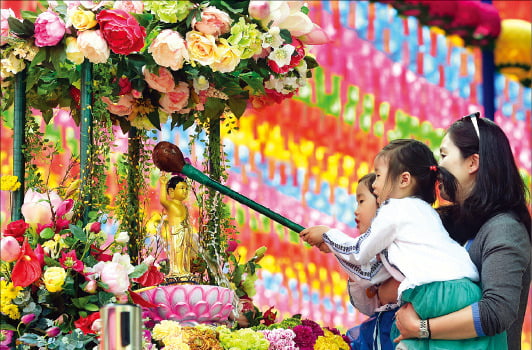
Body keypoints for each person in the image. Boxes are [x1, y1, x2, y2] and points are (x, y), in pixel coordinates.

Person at [300, 139, 506, 349]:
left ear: (404, 179)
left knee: (403, 335)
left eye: (378, 175)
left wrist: (327, 235)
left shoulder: (393, 209)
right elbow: (373, 272)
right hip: (468, 291)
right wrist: (335, 249)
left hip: (433, 293)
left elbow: (359, 252)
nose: (374, 184)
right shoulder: (424, 212)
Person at [393, 114, 531, 350]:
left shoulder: (505, 229)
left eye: (444, 155)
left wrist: (422, 328)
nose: (437, 167)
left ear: (472, 163)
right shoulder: (449, 222)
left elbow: (496, 312)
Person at [344, 173, 400, 350]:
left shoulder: (396, 247)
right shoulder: (371, 253)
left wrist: (330, 240)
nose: (356, 210)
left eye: (361, 201)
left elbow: (368, 278)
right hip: (379, 332)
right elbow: (368, 306)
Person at [159, 174, 195, 277]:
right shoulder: (171, 204)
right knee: (177, 251)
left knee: (185, 252)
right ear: (171, 191)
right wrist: (163, 184)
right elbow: (162, 200)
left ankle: (184, 269)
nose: (185, 191)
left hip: (185, 232)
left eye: (186, 189)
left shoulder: (184, 206)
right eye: (182, 188)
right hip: (177, 232)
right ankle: (177, 271)